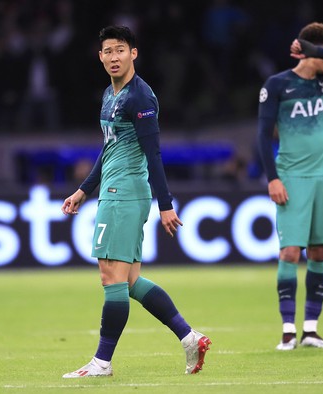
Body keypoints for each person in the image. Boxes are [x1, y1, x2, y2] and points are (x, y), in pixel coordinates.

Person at [60, 25, 211, 378]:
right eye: (107, 51)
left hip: (124, 193)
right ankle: (190, 338)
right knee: (128, 282)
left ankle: (101, 362)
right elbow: (109, 148)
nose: (114, 57)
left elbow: (153, 153)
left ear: (134, 53)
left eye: (120, 50)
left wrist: (166, 203)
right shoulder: (110, 95)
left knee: (109, 276)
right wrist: (84, 189)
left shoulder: (139, 97)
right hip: (116, 190)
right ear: (100, 56)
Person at [257, 22, 323, 351]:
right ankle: (288, 331)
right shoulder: (278, 85)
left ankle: (311, 331)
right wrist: (272, 177)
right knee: (290, 251)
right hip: (292, 177)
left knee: (320, 252)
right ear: (310, 50)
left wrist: (320, 51)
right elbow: (262, 136)